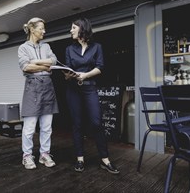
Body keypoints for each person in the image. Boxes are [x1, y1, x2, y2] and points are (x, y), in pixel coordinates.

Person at [63, 18, 120, 174]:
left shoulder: (97, 47)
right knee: (77, 124)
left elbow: (100, 67)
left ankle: (105, 159)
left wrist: (85, 75)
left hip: (90, 89)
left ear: (82, 29)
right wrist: (68, 75)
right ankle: (80, 158)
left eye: (73, 27)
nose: (70, 30)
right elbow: (68, 69)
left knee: (96, 122)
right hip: (73, 90)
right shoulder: (69, 49)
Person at [18, 17, 59, 170]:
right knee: (29, 127)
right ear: (32, 29)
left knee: (47, 126)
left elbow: (53, 62)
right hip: (32, 87)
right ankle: (27, 156)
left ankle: (44, 154)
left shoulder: (46, 46)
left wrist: (34, 62)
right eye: (41, 28)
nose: (44, 31)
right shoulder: (23, 48)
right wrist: (43, 65)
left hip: (48, 87)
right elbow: (25, 67)